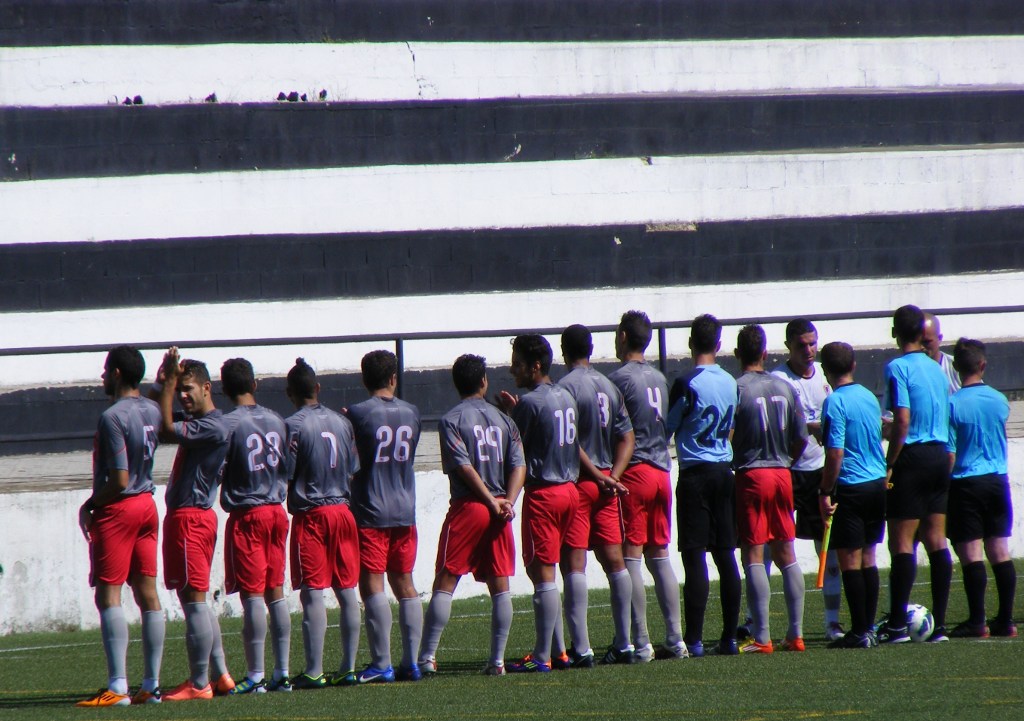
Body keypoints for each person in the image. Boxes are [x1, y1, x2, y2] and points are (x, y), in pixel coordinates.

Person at [418, 354, 526, 676]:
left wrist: (491, 502)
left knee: (446, 580)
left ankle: (426, 658)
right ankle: (497, 662)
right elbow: (519, 465)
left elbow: (463, 467)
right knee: (500, 584)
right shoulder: (504, 420)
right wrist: (507, 501)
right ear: (484, 381)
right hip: (500, 507)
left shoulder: (451, 419)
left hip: (471, 506)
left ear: (456, 384)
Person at [76, 346, 165, 707]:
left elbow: (119, 479)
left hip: (120, 508)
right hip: (147, 505)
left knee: (108, 595)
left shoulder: (112, 417)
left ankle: (118, 687)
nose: (102, 376)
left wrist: (91, 504)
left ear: (115, 374)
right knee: (148, 594)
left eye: (105, 370)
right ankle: (152, 685)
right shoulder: (152, 409)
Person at [152, 350, 236, 701]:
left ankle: (199, 683)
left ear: (206, 388)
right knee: (196, 599)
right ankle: (220, 675)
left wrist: (168, 384)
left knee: (193, 602)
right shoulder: (207, 422)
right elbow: (161, 413)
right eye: (180, 390)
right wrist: (164, 381)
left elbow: (165, 428)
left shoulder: (212, 425)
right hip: (193, 517)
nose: (182, 396)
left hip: (190, 518)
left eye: (188, 389)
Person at [497, 334, 582, 673]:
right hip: (570, 490)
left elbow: (516, 452)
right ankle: (559, 651)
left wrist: (509, 416)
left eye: (517, 364)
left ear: (535, 366)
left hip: (544, 493)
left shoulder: (530, 403)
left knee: (542, 574)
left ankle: (542, 655)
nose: (512, 370)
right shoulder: (566, 395)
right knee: (553, 572)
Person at [608, 310, 685, 661]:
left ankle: (641, 643)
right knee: (660, 556)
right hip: (661, 471)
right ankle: (676, 639)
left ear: (623, 336)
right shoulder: (658, 377)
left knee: (631, 558)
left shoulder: (619, 379)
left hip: (635, 472)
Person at [558, 325, 636, 665]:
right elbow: (628, 437)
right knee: (615, 561)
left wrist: (597, 475)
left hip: (580, 483)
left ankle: (582, 648)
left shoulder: (564, 388)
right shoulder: (608, 385)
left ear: (563, 351)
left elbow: (570, 442)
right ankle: (625, 643)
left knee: (574, 563)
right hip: (607, 484)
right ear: (591, 349)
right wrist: (613, 476)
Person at [283, 358, 363, 687]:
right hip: (343, 511)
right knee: (346, 590)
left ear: (289, 393)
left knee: (313, 592)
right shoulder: (342, 423)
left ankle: (314, 670)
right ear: (317, 388)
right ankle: (348, 667)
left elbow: (286, 474)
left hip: (312, 515)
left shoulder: (292, 425)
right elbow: (353, 468)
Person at [666, 314, 741, 657]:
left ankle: (694, 639)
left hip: (696, 472)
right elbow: (731, 425)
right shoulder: (730, 381)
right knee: (726, 554)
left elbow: (669, 426)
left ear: (690, 343)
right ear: (719, 344)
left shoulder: (686, 382)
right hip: (724, 470)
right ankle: (729, 638)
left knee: (695, 555)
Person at [345, 350, 423, 683]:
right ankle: (412, 662)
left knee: (373, 584)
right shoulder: (413, 411)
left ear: (365, 379)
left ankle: (381, 663)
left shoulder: (357, 413)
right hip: (405, 508)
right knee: (405, 583)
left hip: (371, 509)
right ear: (393, 378)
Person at [877, 305, 953, 644]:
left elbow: (903, 419)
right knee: (937, 539)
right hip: (939, 454)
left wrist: (890, 462)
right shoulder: (937, 368)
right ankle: (940, 625)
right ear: (922, 334)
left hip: (913, 456)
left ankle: (896, 626)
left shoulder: (897, 367)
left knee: (902, 541)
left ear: (895, 332)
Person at [732, 324, 808, 654]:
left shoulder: (737, 388)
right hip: (781, 473)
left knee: (753, 554)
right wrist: (787, 462)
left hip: (752, 474)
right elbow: (802, 438)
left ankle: (762, 637)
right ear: (765, 352)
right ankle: (796, 634)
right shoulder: (785, 387)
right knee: (786, 554)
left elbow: (728, 435)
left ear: (738, 354)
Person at [219, 358, 292, 693]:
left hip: (249, 514)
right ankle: (282, 672)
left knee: (252, 596)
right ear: (254, 384)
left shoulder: (228, 423)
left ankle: (256, 675)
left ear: (224, 389)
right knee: (276, 592)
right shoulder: (277, 419)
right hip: (277, 511)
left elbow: (218, 468)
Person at [770, 319, 842, 642]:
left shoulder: (826, 380)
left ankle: (832, 622)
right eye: (802, 345)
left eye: (813, 343)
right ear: (788, 346)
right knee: (772, 546)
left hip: (818, 474)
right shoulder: (778, 379)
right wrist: (808, 428)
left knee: (828, 549)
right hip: (786, 471)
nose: (809, 350)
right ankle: (755, 621)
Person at [817, 342, 887, 649]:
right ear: (854, 365)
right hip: (876, 482)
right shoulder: (869, 396)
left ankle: (859, 631)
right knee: (869, 557)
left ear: (825, 370)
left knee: (850, 560)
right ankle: (867, 628)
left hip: (852, 484)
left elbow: (835, 452)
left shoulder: (835, 402)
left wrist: (825, 490)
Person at [945, 339, 1017, 638]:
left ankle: (978, 620)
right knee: (999, 550)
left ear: (955, 368)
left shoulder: (952, 404)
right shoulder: (999, 400)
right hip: (997, 480)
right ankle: (1007, 620)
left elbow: (950, 452)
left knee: (971, 551)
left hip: (966, 481)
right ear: (983, 364)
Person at [922, 313, 961, 395]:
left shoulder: (957, 367)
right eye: (918, 342)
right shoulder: (906, 370)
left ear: (939, 338)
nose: (921, 347)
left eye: (926, 342)